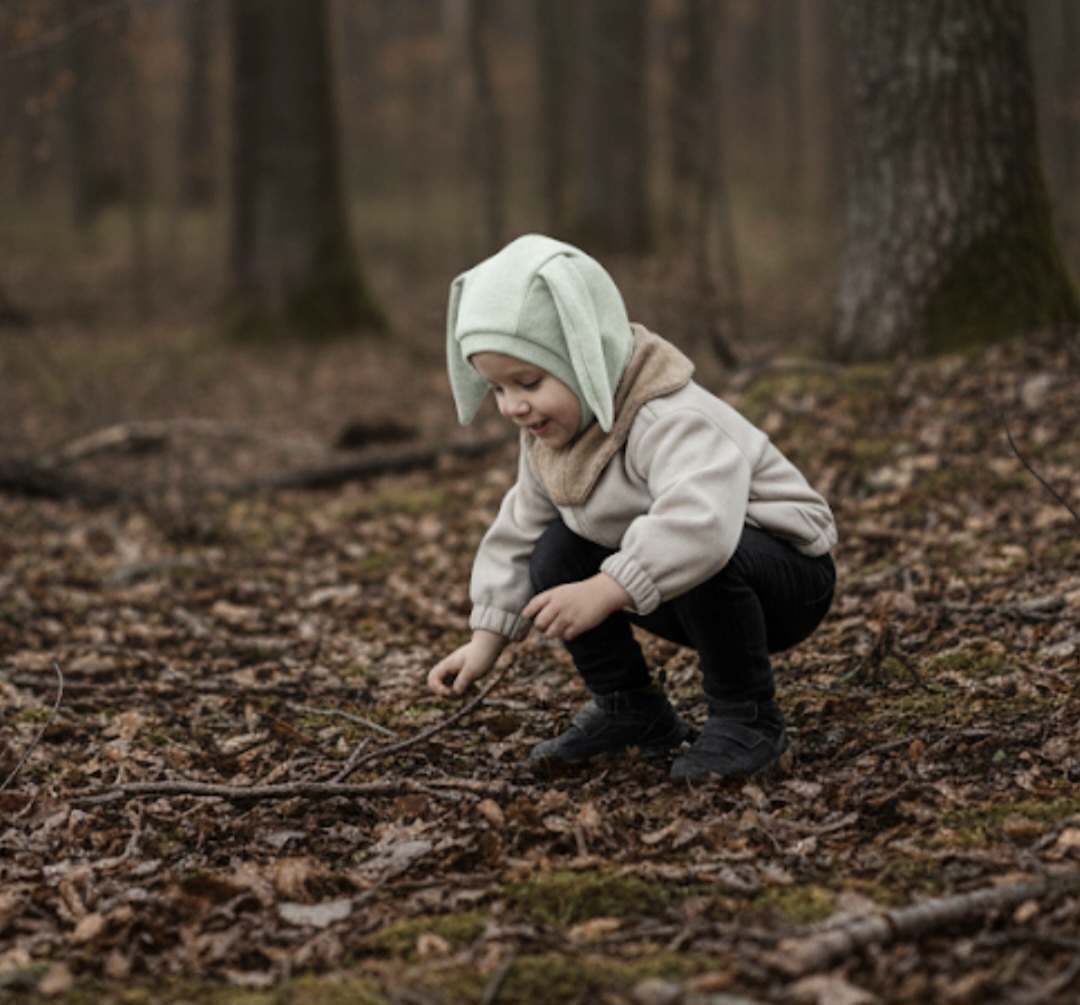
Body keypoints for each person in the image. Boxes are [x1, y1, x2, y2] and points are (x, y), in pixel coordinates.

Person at [427, 234, 837, 780]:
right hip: (682, 581)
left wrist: (605, 588)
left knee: (700, 550)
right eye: (496, 389)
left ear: (586, 357)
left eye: (528, 382)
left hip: (785, 578)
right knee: (552, 553)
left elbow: (702, 524)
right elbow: (519, 529)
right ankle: (631, 708)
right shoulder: (553, 436)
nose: (512, 406)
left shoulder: (666, 416)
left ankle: (749, 717)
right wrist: (485, 641)